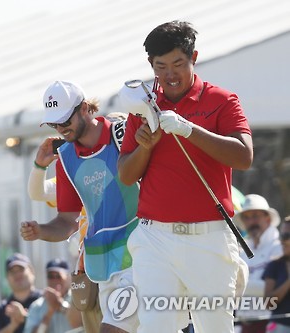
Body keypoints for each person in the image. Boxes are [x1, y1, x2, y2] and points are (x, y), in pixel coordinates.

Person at [118, 20, 253, 333]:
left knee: (215, 327)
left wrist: (190, 130)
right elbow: (126, 175)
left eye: (178, 63)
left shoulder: (221, 100)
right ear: (151, 66)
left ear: (194, 57)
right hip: (154, 237)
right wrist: (145, 149)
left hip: (208, 237)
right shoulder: (142, 107)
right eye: (160, 66)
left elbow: (243, 156)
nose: (169, 75)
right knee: (155, 327)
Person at [21, 80, 140, 333]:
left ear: (85, 108)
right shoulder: (64, 157)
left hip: (140, 257)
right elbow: (67, 221)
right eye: (54, 124)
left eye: (65, 120)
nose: (60, 129)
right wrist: (40, 231)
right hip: (102, 269)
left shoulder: (124, 132)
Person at [232, 194, 282, 332]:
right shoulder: (241, 251)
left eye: (255, 216)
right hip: (244, 323)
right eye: (246, 218)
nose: (251, 222)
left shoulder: (280, 248)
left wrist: (241, 286)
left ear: (267, 218)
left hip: (271, 322)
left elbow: (275, 287)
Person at [24, 258, 82, 333]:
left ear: (67, 277)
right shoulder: (37, 306)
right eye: (50, 276)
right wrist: (49, 313)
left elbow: (80, 324)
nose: (54, 280)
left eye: (58, 276)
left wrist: (61, 305)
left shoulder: (78, 299)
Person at [0, 253, 41, 333]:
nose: (17, 274)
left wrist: (25, 318)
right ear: (7, 278)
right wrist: (13, 325)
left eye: (21, 269)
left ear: (32, 272)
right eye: (12, 271)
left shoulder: (46, 300)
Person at [263, 216, 290, 332]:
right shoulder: (275, 265)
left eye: (286, 236)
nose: (282, 241)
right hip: (279, 327)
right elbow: (269, 303)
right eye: (281, 236)